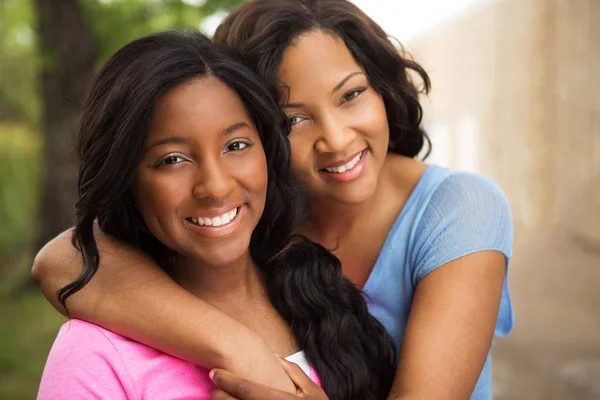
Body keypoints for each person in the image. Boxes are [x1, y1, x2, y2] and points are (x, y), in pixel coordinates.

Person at [33, 1, 514, 399]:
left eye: (350, 95)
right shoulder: (260, 223)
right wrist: (239, 348)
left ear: (381, 88)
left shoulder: (458, 209)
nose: (336, 138)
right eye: (294, 120)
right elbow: (62, 260)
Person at [36, 30, 395, 400]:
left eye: (235, 145)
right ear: (126, 179)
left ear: (268, 153)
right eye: (172, 160)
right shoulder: (95, 354)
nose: (216, 187)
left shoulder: (328, 297)